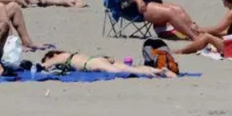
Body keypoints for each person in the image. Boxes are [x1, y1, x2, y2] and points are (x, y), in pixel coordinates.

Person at [41, 50, 175, 77]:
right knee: (129, 68)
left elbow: (43, 66)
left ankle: (157, 72)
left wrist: (45, 64)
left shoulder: (61, 56)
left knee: (123, 71)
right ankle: (157, 70)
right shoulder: (73, 54)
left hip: (92, 63)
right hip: (98, 58)